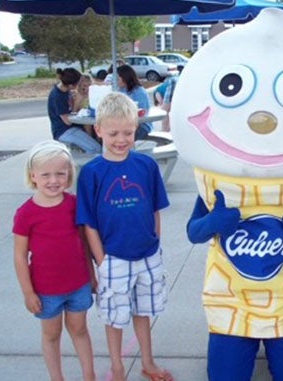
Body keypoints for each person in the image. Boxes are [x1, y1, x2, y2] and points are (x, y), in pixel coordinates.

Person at [76, 93, 174, 381]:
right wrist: (101, 260)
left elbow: (155, 209)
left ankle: (148, 361)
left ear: (136, 129)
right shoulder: (91, 173)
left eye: (128, 133)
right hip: (113, 257)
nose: (121, 139)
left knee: (144, 311)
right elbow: (88, 224)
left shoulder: (146, 166)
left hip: (147, 254)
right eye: (114, 133)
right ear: (99, 130)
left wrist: (155, 242)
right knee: (114, 316)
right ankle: (117, 366)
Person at [13, 140, 97, 381]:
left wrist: (92, 276)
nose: (53, 180)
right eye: (46, 174)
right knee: (51, 334)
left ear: (69, 173)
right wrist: (28, 292)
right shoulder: (26, 213)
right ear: (33, 176)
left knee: (80, 329)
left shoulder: (73, 204)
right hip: (45, 290)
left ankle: (89, 375)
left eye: (60, 173)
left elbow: (84, 243)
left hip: (78, 284)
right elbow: (19, 256)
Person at [47, 68, 101, 154]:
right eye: (78, 84)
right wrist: (77, 102)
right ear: (71, 85)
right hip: (63, 130)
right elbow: (67, 121)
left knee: (99, 139)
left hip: (73, 127)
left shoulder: (66, 91)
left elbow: (72, 112)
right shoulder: (58, 96)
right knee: (96, 149)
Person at [116, 64, 153, 140]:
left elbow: (143, 112)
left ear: (124, 78)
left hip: (141, 125)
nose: (115, 81)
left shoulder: (138, 92)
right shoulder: (119, 90)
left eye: (117, 79)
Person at [72, 74, 96, 139]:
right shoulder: (77, 95)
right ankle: (90, 139)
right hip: (82, 118)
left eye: (89, 85)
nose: (87, 88)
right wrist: (79, 99)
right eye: (84, 86)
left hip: (92, 116)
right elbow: (74, 111)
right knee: (87, 124)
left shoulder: (93, 94)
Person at [160, 66, 183, 132]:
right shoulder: (178, 79)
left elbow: (165, 105)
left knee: (165, 111)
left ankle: (165, 131)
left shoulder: (173, 80)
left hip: (169, 95)